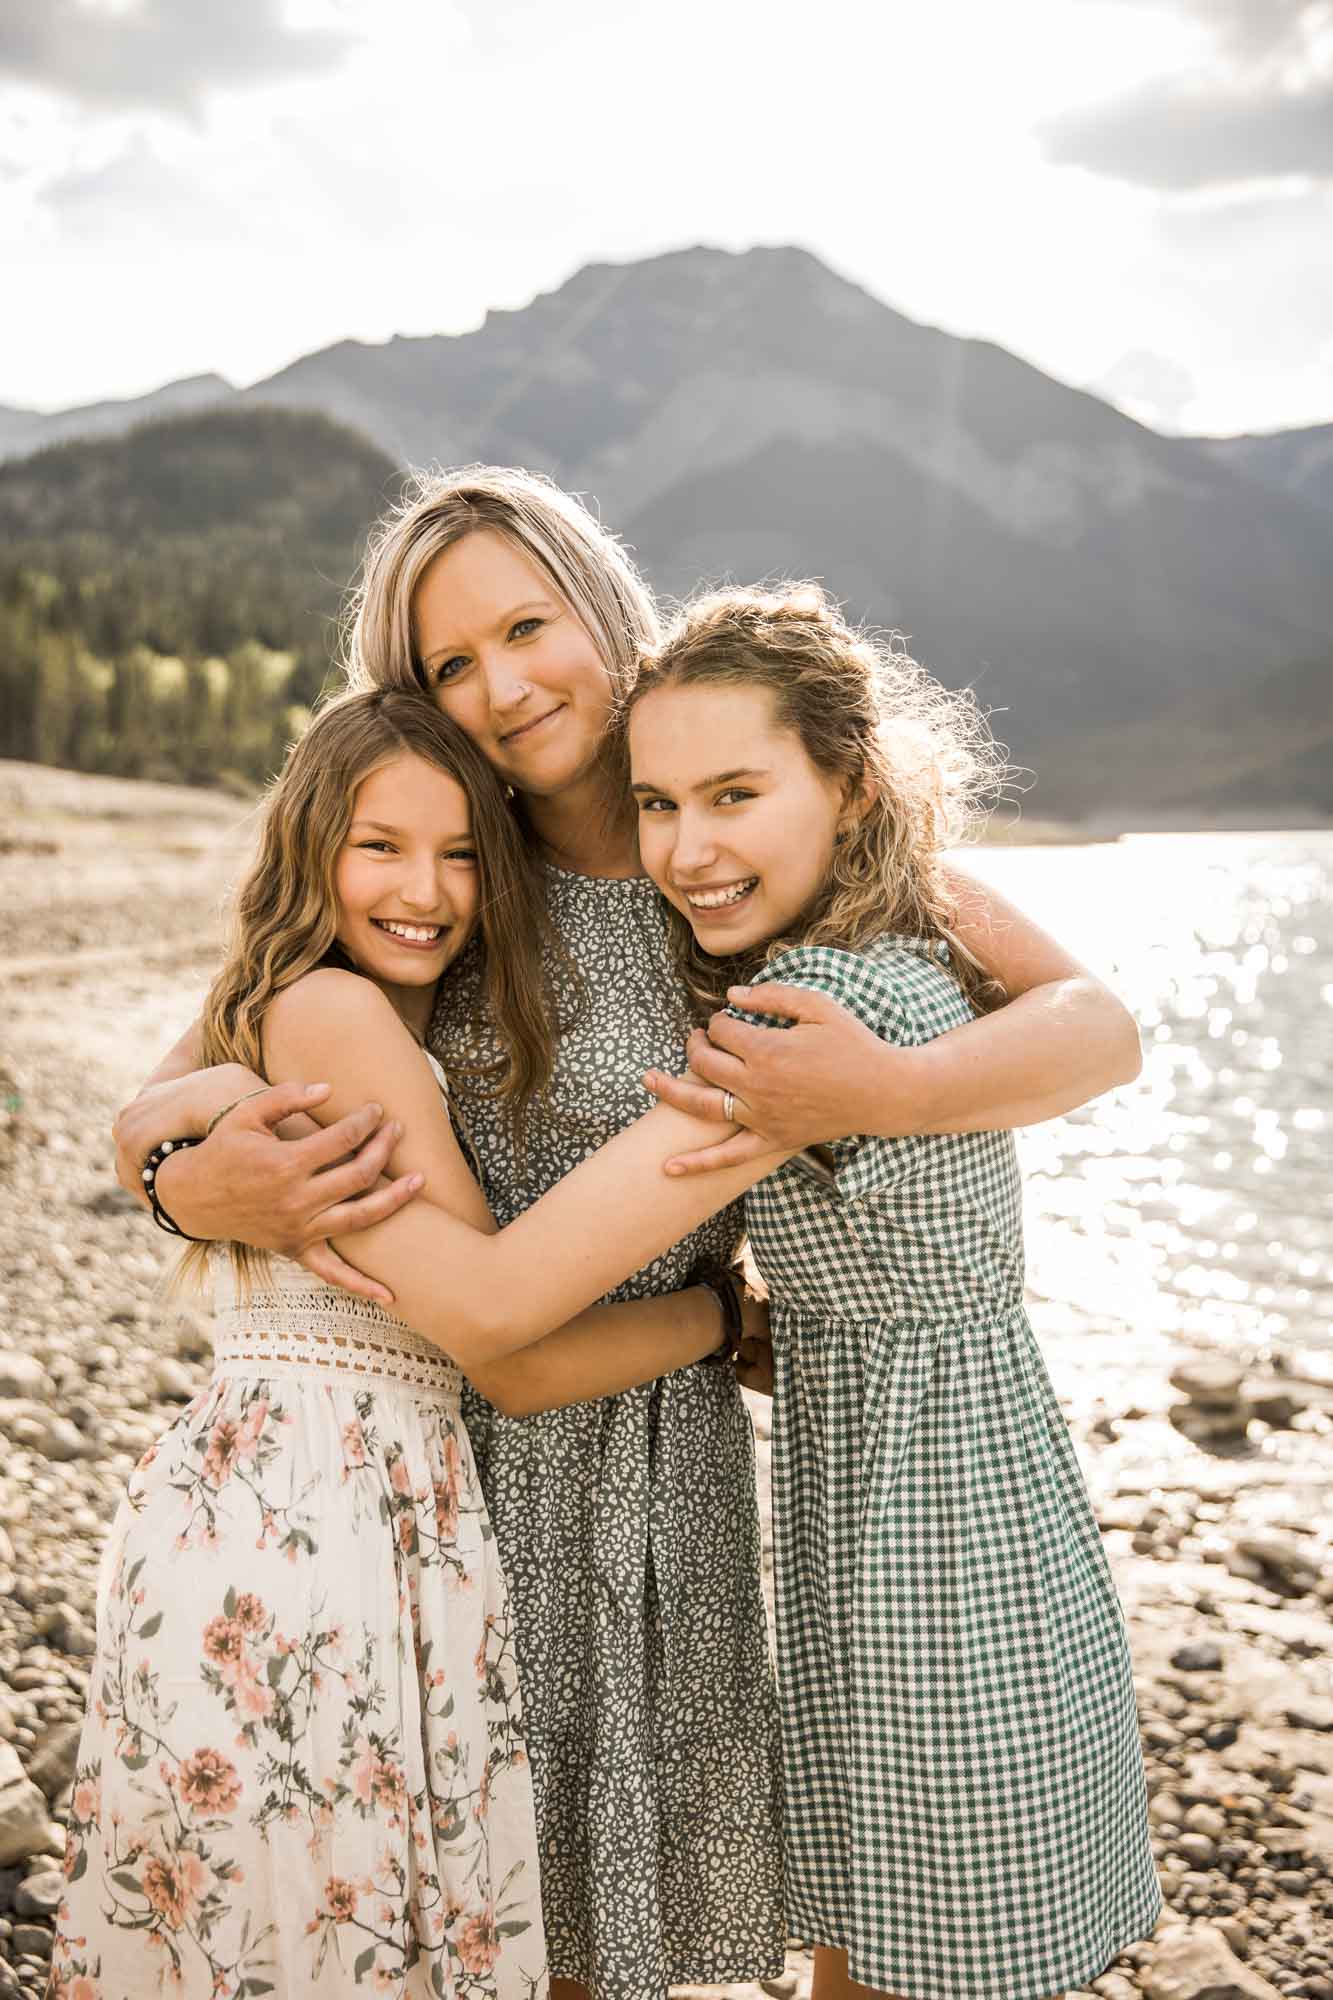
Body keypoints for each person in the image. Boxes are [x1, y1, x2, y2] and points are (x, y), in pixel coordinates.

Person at [114, 467, 1142, 2000]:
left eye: (525, 627)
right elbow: (181, 1090)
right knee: (489, 1919)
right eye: (451, 662)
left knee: (639, 1924)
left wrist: (886, 1088)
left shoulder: (744, 841)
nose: (502, 684)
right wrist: (184, 1183)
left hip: (671, 1457)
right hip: (468, 1455)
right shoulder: (441, 867)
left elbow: (1095, 1027)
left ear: (600, 609)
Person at [53, 689, 785, 2000]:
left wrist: (166, 1138)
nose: (425, 891)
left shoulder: (303, 1007)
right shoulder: (334, 1017)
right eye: (379, 846)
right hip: (321, 1529)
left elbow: (145, 1122)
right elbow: (504, 1338)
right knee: (338, 1931)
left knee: (271, 1932)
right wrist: (724, 1311)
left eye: (459, 854)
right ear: (308, 849)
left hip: (295, 1509)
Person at [624, 582, 1162, 2000]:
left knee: (899, 1937)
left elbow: (1107, 1029)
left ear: (850, 786)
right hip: (973, 1477)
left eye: (734, 793)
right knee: (905, 1932)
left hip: (916, 1521)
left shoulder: (819, 1002)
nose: (688, 847)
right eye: (656, 804)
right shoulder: (906, 932)